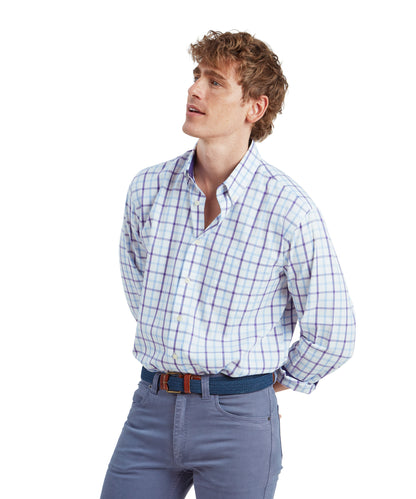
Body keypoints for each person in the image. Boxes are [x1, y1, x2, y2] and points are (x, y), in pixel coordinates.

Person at [100, 30, 356, 499]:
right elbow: (143, 294)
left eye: (215, 82)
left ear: (254, 108)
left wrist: (262, 389)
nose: (195, 89)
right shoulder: (148, 189)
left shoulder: (288, 209)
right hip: (150, 409)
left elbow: (333, 331)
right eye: (197, 75)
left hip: (238, 423)